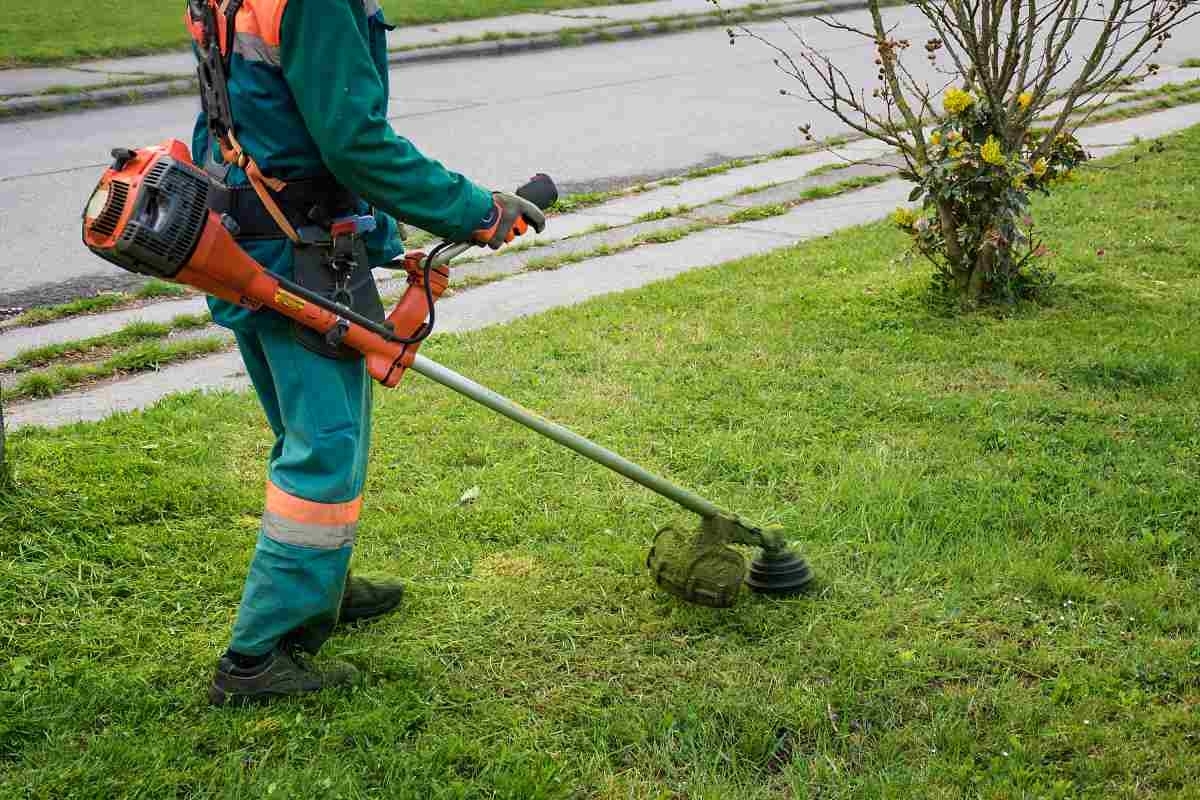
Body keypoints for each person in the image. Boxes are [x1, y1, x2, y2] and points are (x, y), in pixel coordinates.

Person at [184, 0, 546, 707]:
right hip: (295, 259)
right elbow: (354, 142)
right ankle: (258, 658)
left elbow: (244, 123)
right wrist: (476, 210)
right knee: (324, 448)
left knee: (299, 431)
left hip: (244, 241)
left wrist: (376, 240)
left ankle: (318, 587)